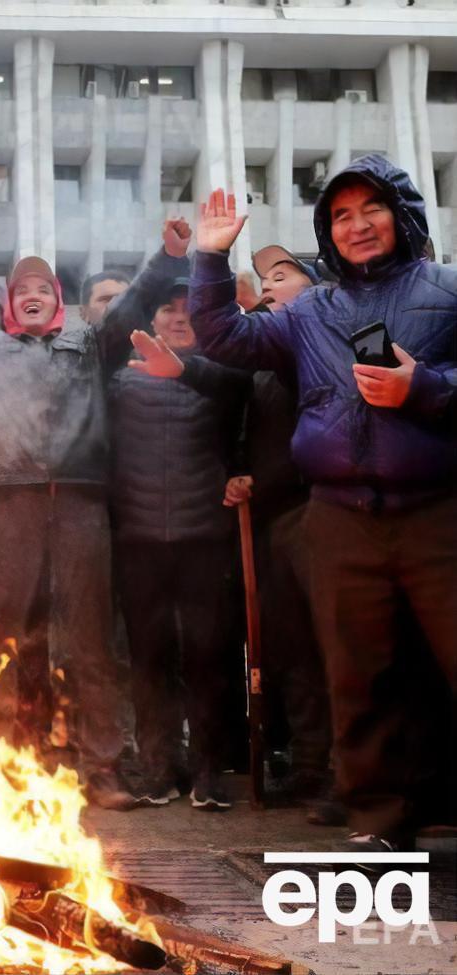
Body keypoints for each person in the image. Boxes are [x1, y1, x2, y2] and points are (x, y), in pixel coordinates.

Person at [0, 210, 195, 811]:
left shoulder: (91, 342)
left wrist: (170, 257)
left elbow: (132, 307)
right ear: (8, 304)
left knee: (91, 642)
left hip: (80, 504)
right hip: (12, 502)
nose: (30, 296)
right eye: (21, 290)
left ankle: (101, 770)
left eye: (42, 290)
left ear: (60, 303)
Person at [190, 157, 457, 848]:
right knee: (356, 671)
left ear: (402, 215)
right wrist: (212, 259)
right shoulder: (310, 310)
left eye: (371, 209)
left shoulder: (448, 290)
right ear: (326, 230)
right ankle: (377, 820)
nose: (357, 224)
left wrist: (422, 386)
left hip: (435, 510)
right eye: (341, 214)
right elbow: (225, 337)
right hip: (338, 514)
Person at [105, 281, 249, 810]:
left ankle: (210, 771)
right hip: (138, 538)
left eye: (190, 309)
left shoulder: (222, 375)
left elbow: (244, 433)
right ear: (152, 318)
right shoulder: (119, 379)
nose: (179, 316)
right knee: (148, 657)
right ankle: (160, 769)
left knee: (210, 656)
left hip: (206, 536)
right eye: (168, 307)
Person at [231, 244, 334, 816]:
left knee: (335, 645)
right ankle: (311, 764)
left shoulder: (321, 343)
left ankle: (352, 772)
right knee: (290, 649)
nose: (268, 286)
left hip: (319, 508)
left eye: (282, 276)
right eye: (265, 278)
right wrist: (238, 475)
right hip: (270, 517)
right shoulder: (261, 365)